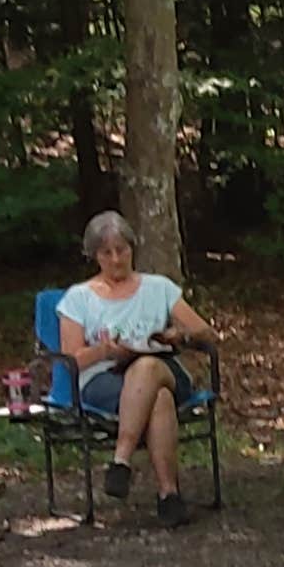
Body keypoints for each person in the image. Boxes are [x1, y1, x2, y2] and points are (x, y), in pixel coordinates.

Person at [57, 211, 216, 523]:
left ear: (133, 249)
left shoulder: (159, 287)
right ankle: (169, 496)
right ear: (95, 256)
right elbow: (72, 359)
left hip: (165, 369)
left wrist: (178, 335)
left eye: (123, 250)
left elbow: (206, 333)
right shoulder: (78, 298)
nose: (117, 259)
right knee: (159, 398)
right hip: (105, 379)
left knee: (146, 366)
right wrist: (104, 350)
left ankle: (121, 459)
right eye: (107, 252)